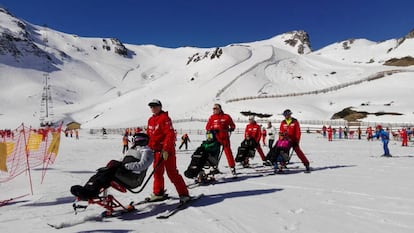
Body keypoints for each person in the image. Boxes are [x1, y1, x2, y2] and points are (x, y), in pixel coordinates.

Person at [70, 133, 154, 200]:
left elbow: (142, 165)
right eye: (135, 139)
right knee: (103, 171)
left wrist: (126, 166)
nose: (135, 141)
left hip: (133, 179)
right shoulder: (132, 150)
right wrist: (117, 163)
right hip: (126, 174)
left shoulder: (146, 151)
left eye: (138, 139)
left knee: (109, 173)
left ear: (144, 140)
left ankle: (91, 192)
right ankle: (87, 189)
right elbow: (123, 160)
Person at [146, 99, 190, 203]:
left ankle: (184, 194)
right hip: (155, 152)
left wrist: (165, 149)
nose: (153, 108)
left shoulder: (165, 118)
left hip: (166, 151)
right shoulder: (150, 120)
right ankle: (158, 192)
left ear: (160, 106)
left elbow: (170, 135)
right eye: (151, 106)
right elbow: (149, 136)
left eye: (155, 106)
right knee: (157, 173)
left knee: (172, 173)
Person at [205, 103, 237, 175]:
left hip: (224, 138)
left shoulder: (226, 117)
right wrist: (212, 130)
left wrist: (231, 128)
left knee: (228, 152)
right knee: (214, 152)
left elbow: (232, 125)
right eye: (213, 108)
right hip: (215, 138)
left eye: (216, 108)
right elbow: (207, 127)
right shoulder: (212, 117)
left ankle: (232, 167)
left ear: (220, 109)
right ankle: (214, 167)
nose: (214, 110)